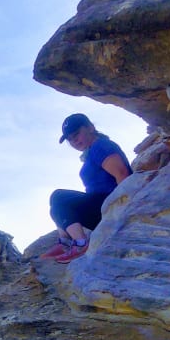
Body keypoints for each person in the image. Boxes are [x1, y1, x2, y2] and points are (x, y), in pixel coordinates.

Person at [40, 113, 133, 263]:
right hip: (100, 204)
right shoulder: (91, 151)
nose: (74, 141)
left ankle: (80, 244)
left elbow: (122, 173)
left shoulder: (100, 146)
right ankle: (65, 243)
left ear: (90, 128)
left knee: (60, 199)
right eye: (70, 139)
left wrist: (124, 209)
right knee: (57, 201)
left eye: (76, 134)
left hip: (108, 203)